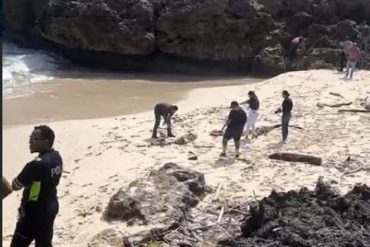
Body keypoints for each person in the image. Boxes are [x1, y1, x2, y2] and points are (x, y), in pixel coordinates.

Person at [10, 125, 63, 247]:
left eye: (35, 138)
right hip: (50, 207)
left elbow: (15, 185)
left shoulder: (35, 165)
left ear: (46, 141)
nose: (30, 141)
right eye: (30, 137)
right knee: (44, 243)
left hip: (33, 214)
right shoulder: (56, 157)